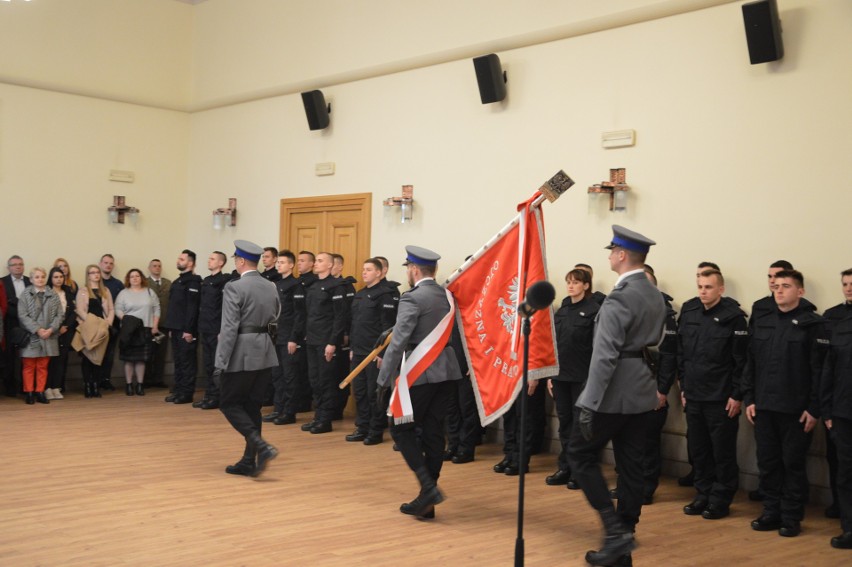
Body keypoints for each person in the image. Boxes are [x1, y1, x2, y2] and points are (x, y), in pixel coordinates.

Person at [566, 225, 666, 566]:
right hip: (642, 389)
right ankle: (624, 538)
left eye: (612, 251)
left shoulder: (620, 298)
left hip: (612, 394)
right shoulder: (654, 294)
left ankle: (614, 531)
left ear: (622, 255)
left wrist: (588, 402)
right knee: (632, 466)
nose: (609, 255)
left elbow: (605, 356)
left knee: (578, 454)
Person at [377, 245, 462, 520]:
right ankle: (428, 501)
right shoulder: (446, 295)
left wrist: (383, 380)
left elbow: (401, 341)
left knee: (400, 427)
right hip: (447, 370)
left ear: (413, 270)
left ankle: (428, 488)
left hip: (421, 370)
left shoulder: (412, 298)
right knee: (434, 432)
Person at [743, 269, 826, 538]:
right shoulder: (764, 320)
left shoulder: (813, 324)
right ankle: (771, 511)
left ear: (800, 291)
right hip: (764, 406)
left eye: (786, 286)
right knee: (767, 463)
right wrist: (750, 398)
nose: (779, 290)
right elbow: (751, 363)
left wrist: (814, 408)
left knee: (792, 465)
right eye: (776, 286)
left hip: (796, 410)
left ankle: (791, 517)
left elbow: (819, 371)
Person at [678, 269, 748, 520]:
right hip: (695, 394)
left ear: (721, 289)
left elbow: (741, 361)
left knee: (722, 453)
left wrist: (737, 395)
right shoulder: (690, 312)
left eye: (708, 287)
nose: (703, 291)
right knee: (699, 451)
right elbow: (683, 355)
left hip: (721, 398)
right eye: (700, 286)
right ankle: (703, 494)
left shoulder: (734, 318)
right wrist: (684, 387)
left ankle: (720, 499)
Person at [214, 240, 281, 477]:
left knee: (229, 403)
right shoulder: (271, 285)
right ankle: (248, 460)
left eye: (235, 260)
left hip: (241, 352)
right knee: (253, 407)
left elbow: (230, 328)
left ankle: (260, 446)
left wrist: (220, 362)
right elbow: (275, 317)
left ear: (241, 261)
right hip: (264, 350)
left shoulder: (235, 287)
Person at [546, 268, 599, 488]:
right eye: (568, 282)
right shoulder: (563, 309)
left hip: (582, 377)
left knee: (580, 426)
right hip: (560, 376)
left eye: (576, 282)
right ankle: (564, 467)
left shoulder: (594, 310)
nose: (571, 286)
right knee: (565, 424)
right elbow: (554, 344)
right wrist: (550, 374)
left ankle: (580, 472)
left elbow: (597, 348)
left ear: (586, 286)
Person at [294, 252, 351, 434]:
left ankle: (325, 420)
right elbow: (308, 314)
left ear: (329, 265)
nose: (316, 264)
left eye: (320, 261)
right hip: (312, 339)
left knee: (326, 381)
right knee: (314, 380)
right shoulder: (313, 285)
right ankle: (317, 417)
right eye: (316, 261)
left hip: (326, 341)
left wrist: (333, 342)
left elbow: (340, 317)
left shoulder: (337, 286)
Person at [346, 257, 399, 445]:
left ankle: (375, 430)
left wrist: (383, 353)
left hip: (374, 352)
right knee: (359, 392)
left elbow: (389, 328)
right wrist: (352, 348)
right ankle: (362, 426)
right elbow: (354, 325)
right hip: (358, 351)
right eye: (363, 269)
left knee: (373, 393)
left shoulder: (385, 294)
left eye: (368, 269)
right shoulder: (360, 294)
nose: (364, 272)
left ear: (379, 272)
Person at [822, 268, 852, 549]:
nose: (849, 288)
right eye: (845, 284)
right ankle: (849, 528)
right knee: (845, 473)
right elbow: (828, 369)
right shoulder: (839, 324)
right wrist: (827, 411)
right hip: (843, 412)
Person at [18, 267, 64, 404]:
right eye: (36, 277)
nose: (40, 279)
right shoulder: (25, 294)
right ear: (31, 279)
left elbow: (60, 315)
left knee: (43, 366)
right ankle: (29, 392)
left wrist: (50, 329)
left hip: (49, 335)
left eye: (42, 277)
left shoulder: (53, 294)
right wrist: (38, 329)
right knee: (29, 365)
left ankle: (40, 391)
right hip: (31, 336)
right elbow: (22, 315)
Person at [267, 250, 303, 425]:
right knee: (277, 375)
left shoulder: (296, 285)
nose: (279, 265)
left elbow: (298, 314)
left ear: (291, 265)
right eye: (278, 262)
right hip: (276, 335)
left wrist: (294, 338)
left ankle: (289, 412)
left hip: (288, 336)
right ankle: (278, 409)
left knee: (289, 377)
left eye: (282, 262)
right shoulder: (277, 284)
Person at [194, 251, 232, 409]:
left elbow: (225, 307)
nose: (209, 261)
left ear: (221, 263)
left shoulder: (224, 281)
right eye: (209, 258)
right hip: (205, 327)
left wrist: (222, 330)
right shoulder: (206, 280)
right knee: (208, 364)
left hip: (217, 329)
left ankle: (217, 397)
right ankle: (209, 395)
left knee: (218, 366)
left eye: (212, 259)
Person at [163, 250, 202, 404]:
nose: (178, 260)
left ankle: (186, 393)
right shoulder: (177, 282)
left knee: (187, 362)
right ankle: (178, 390)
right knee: (178, 361)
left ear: (190, 263)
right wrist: (172, 328)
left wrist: (189, 330)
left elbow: (192, 309)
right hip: (176, 328)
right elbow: (174, 308)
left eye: (182, 259)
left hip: (186, 329)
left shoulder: (193, 282)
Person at [114, 268, 161, 396]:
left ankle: (140, 385)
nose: (135, 278)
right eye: (132, 276)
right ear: (128, 279)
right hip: (129, 331)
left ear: (141, 278)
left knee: (141, 359)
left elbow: (157, 309)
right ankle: (129, 385)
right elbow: (117, 309)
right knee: (128, 360)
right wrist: (128, 320)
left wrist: (155, 325)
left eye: (137, 276)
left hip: (145, 328)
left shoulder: (150, 292)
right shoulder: (123, 293)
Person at [75, 264, 114, 398]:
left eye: (97, 272)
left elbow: (111, 309)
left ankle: (96, 385)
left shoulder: (106, 291)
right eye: (92, 273)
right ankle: (87, 385)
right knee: (87, 358)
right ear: (88, 275)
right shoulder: (83, 290)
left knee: (99, 357)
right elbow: (79, 310)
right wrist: (92, 322)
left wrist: (108, 322)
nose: (96, 275)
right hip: (88, 327)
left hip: (102, 328)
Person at [45, 267, 77, 399]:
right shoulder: (46, 292)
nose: (59, 279)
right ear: (51, 279)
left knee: (61, 359)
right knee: (50, 360)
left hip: (66, 330)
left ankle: (56, 387)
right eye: (55, 277)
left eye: (61, 277)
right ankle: (47, 387)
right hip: (51, 331)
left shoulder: (68, 292)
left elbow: (72, 312)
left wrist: (66, 326)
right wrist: (55, 328)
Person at [2, 255, 31, 397]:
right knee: (10, 357)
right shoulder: (2, 282)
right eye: (14, 265)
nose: (18, 266)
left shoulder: (29, 281)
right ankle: (10, 388)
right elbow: (4, 305)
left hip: (28, 325)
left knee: (26, 357)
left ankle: (24, 387)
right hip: (9, 324)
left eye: (20, 264)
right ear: (9, 268)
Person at [98, 254, 124, 392]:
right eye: (106, 262)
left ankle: (106, 380)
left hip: (112, 325)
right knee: (96, 352)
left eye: (110, 263)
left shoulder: (118, 284)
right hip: (97, 325)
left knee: (109, 353)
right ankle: (95, 380)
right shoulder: (95, 281)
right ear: (100, 264)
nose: (108, 265)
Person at [146, 259, 172, 388]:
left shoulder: (168, 283)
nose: (157, 268)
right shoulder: (145, 282)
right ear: (149, 268)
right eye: (154, 266)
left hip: (164, 323)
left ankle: (158, 379)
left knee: (161, 354)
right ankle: (146, 380)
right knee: (148, 352)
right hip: (149, 323)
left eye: (159, 266)